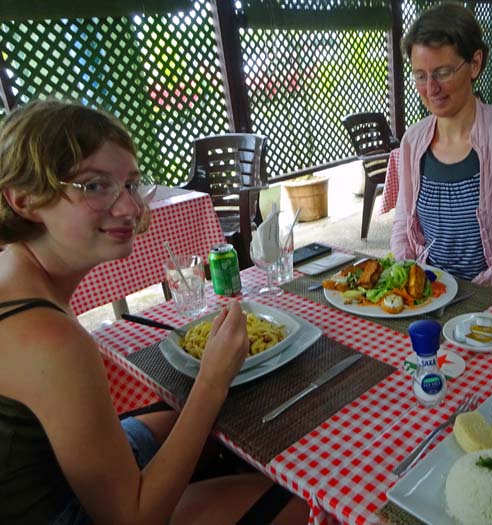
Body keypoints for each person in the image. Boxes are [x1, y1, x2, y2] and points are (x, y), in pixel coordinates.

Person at [0, 100, 306, 524]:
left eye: (130, 184)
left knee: (210, 435)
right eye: (95, 185)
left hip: (57, 476)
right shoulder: (47, 339)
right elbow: (132, 517)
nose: (129, 207)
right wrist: (213, 378)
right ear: (24, 200)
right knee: (297, 501)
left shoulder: (14, 277)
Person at [391, 2, 492, 296]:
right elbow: (403, 227)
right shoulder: (413, 142)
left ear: (475, 63)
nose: (431, 88)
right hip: (431, 298)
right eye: (420, 75)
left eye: (442, 72)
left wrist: (466, 293)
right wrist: (413, 282)